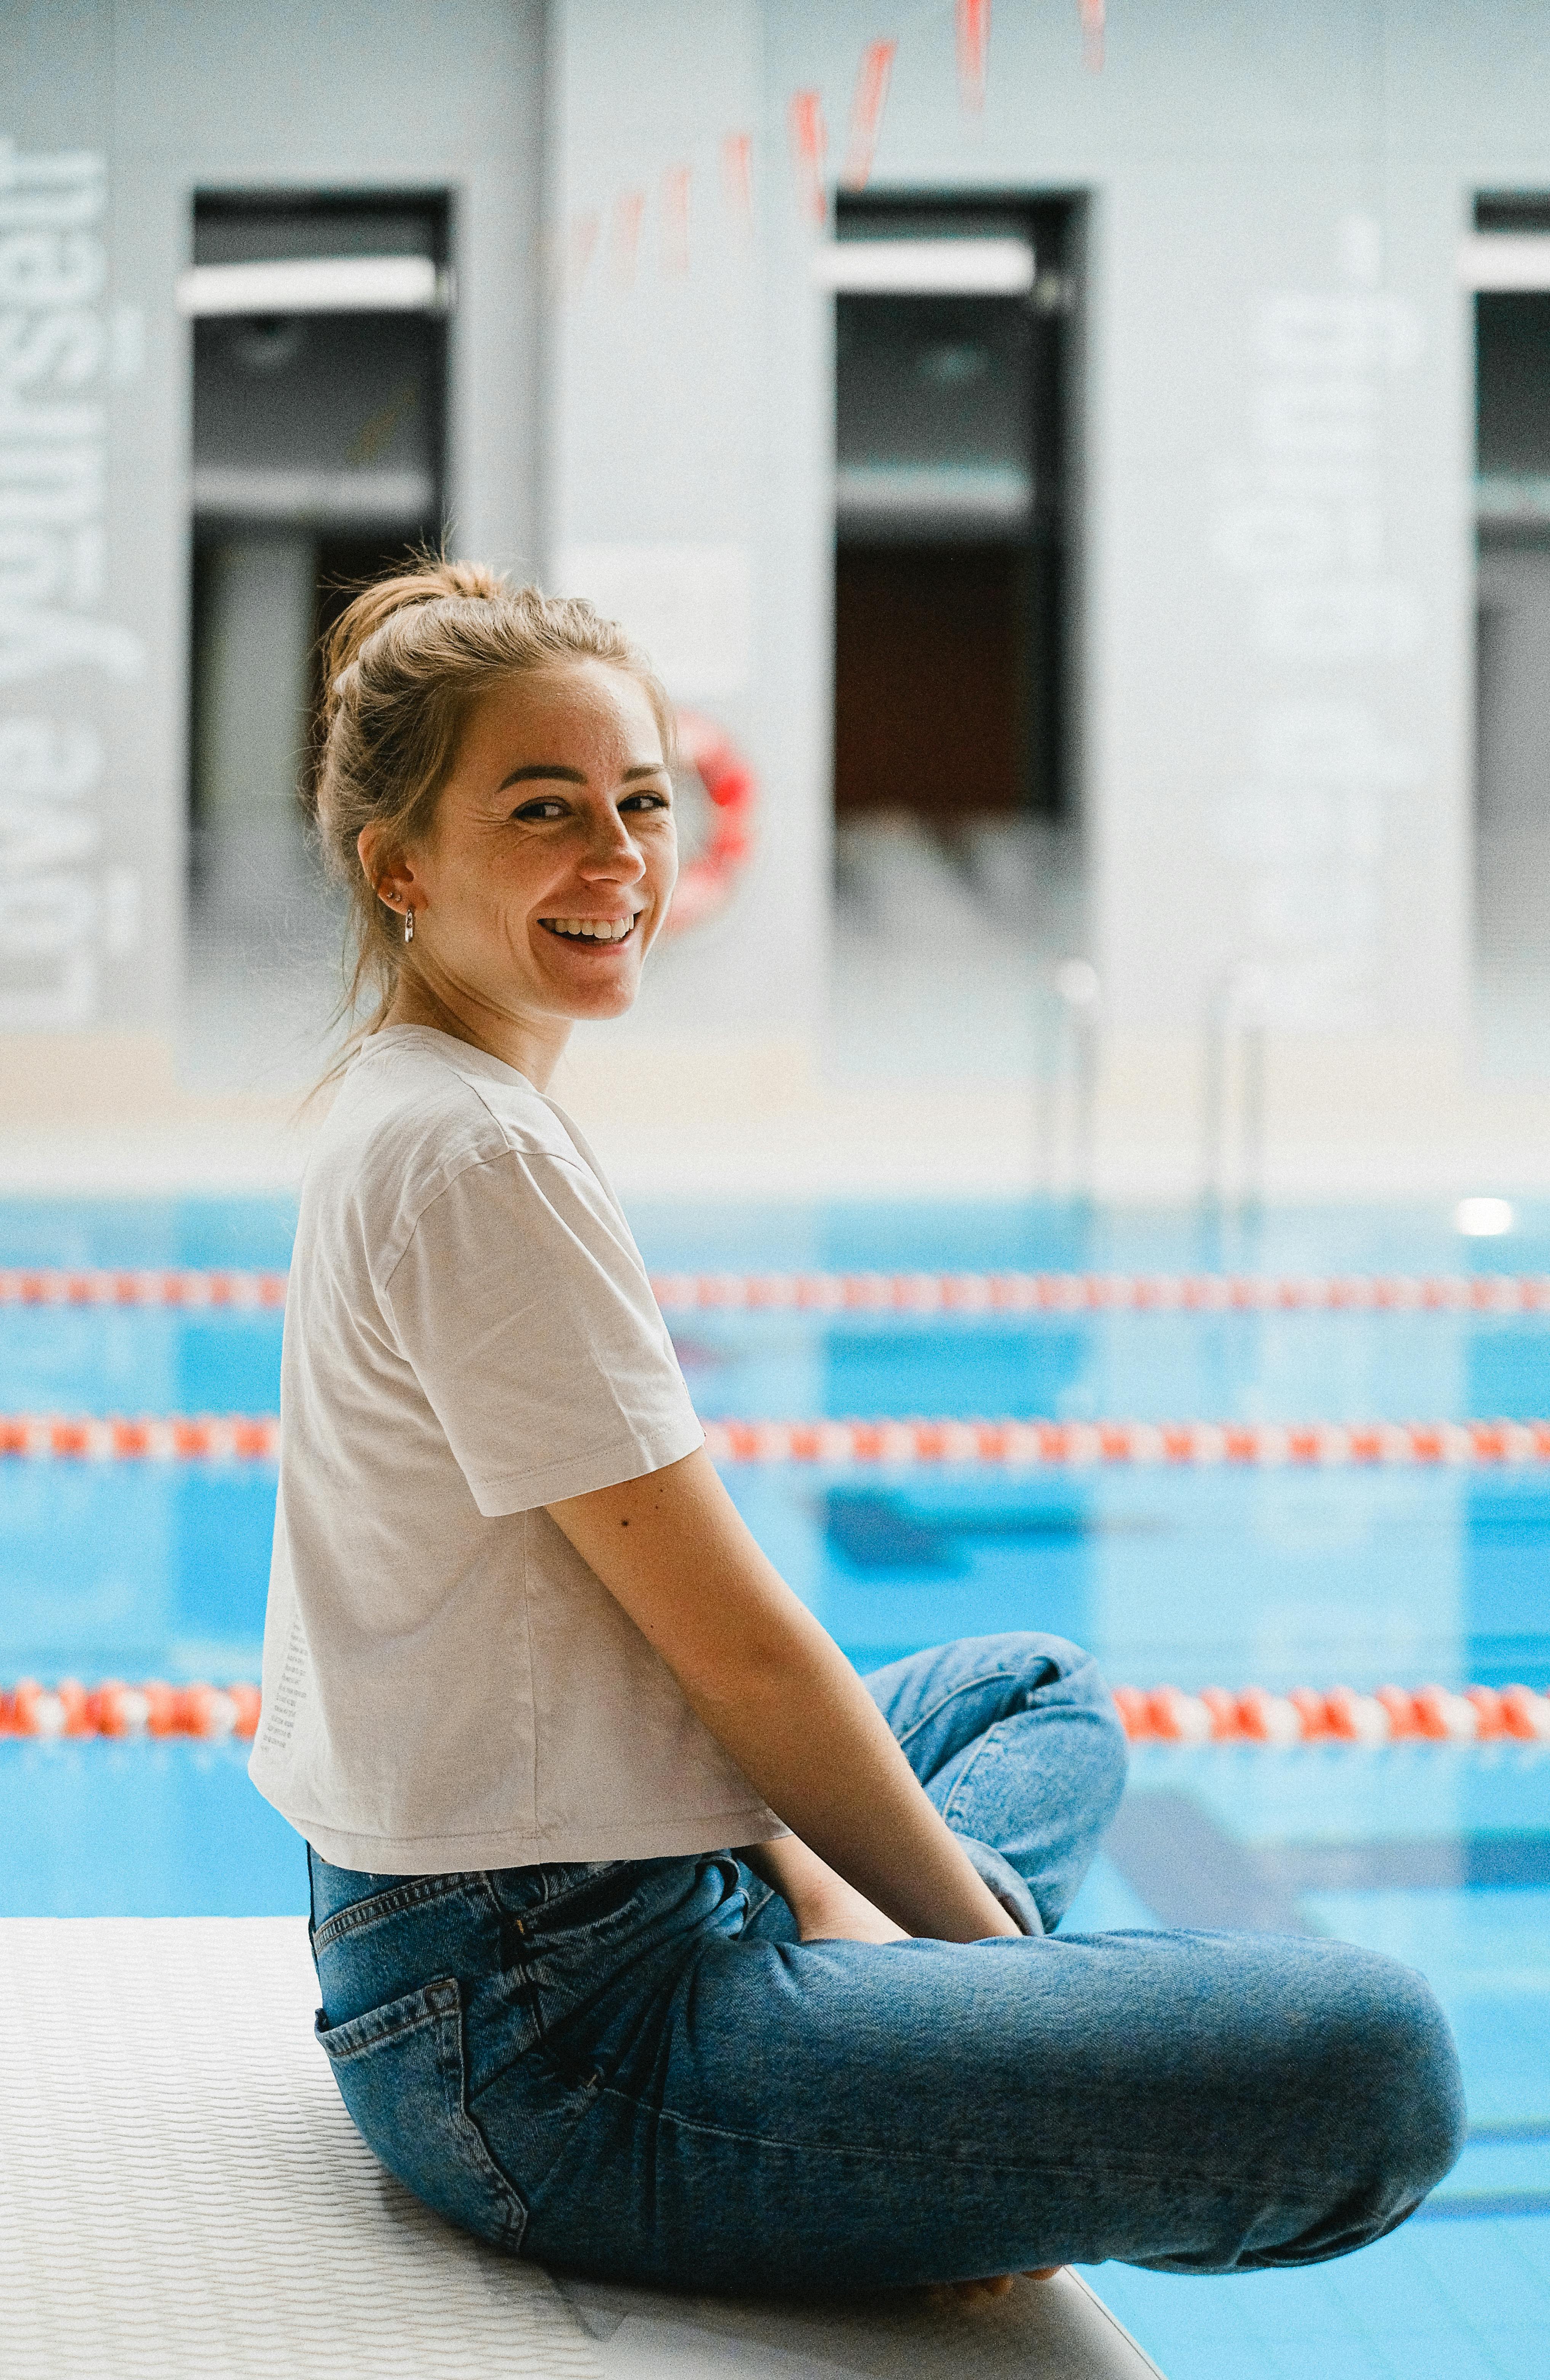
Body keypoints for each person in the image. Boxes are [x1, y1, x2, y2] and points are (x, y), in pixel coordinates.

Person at [250, 559, 1463, 2298]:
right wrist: (990, 1988)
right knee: (1376, 2063)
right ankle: (935, 2071)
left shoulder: (420, 1104)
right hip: (557, 2047)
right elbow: (736, 1655)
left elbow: (627, 1624)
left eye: (639, 805)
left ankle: (898, 2048)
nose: (618, 861)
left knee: (1029, 1692)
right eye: (543, 811)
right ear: (399, 866)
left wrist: (811, 1882)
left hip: (520, 1931)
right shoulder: (478, 1157)